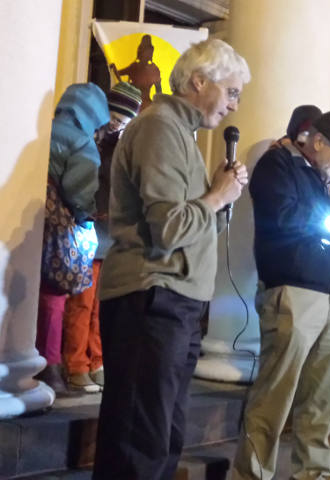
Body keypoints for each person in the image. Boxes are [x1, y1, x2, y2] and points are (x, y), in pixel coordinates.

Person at [92, 38, 250, 480]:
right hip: (151, 296)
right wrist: (216, 197)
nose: (235, 106)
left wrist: (218, 199)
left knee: (161, 440)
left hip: (174, 302)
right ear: (199, 81)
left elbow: (191, 229)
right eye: (232, 92)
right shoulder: (160, 127)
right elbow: (167, 231)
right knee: (139, 442)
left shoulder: (180, 133)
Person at [234, 111, 330, 480]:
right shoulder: (277, 166)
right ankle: (251, 475)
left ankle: (314, 474)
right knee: (274, 398)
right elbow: (287, 216)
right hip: (292, 294)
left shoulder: (323, 181)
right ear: (318, 141)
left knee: (323, 401)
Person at [61, 81, 142, 393]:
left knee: (100, 307)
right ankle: (75, 365)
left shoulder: (125, 145)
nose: (117, 123)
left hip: (111, 237)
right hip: (83, 233)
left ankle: (97, 361)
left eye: (124, 119)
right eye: (115, 115)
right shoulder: (86, 139)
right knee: (81, 304)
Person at [34, 83, 110, 394]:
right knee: (56, 295)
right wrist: (86, 217)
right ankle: (50, 366)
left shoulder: (42, 129)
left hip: (31, 217)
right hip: (59, 225)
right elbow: (80, 192)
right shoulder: (82, 144)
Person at [110, 34, 163, 109]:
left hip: (140, 105)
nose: (147, 54)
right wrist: (114, 68)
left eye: (149, 52)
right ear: (140, 52)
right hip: (132, 103)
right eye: (145, 51)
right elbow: (118, 73)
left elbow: (159, 92)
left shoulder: (154, 69)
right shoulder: (134, 66)